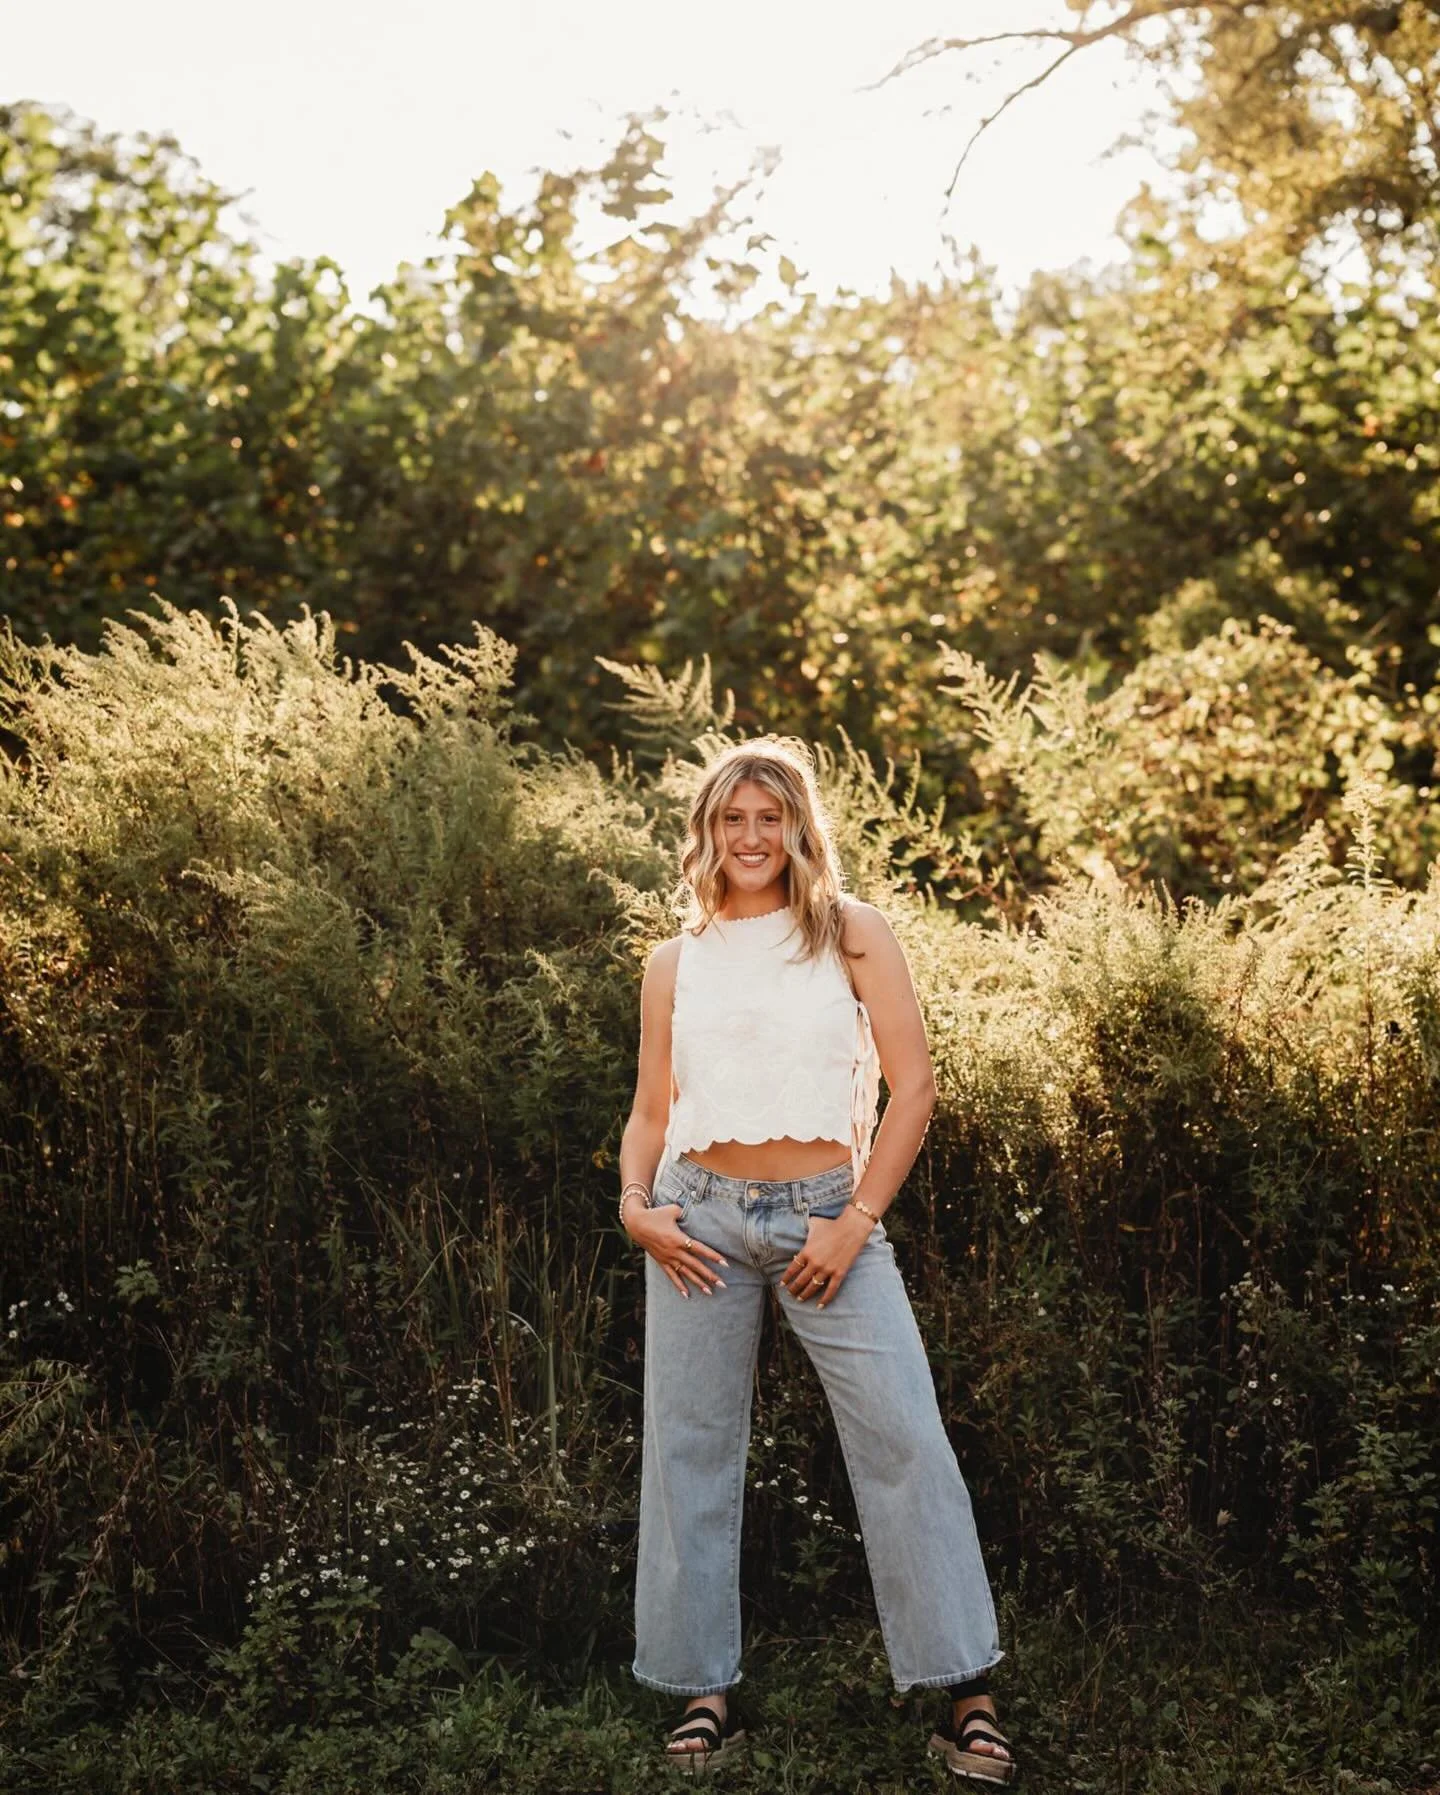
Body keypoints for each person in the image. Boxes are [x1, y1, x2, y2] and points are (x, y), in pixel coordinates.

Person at [616, 737, 1017, 1783]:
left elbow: (914, 1086)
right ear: (707, 832)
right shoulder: (674, 962)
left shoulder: (851, 932)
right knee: (690, 1447)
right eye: (732, 819)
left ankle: (966, 1692)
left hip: (829, 1216)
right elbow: (651, 1110)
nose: (751, 837)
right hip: (696, 1221)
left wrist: (855, 1219)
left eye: (770, 817)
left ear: (799, 828)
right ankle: (702, 1690)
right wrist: (636, 1208)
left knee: (905, 1436)